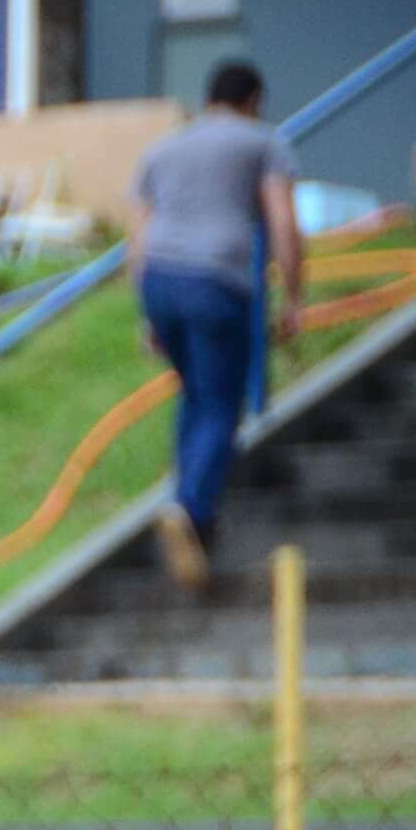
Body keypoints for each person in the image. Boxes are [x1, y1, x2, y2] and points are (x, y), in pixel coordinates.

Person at [127, 60, 303, 592]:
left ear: (208, 100)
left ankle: (191, 512)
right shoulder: (261, 141)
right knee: (223, 403)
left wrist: (149, 311)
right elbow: (283, 222)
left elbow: (138, 237)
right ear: (253, 100)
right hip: (217, 282)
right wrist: (294, 296)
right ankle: (190, 506)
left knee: (197, 394)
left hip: (161, 279)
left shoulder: (162, 148)